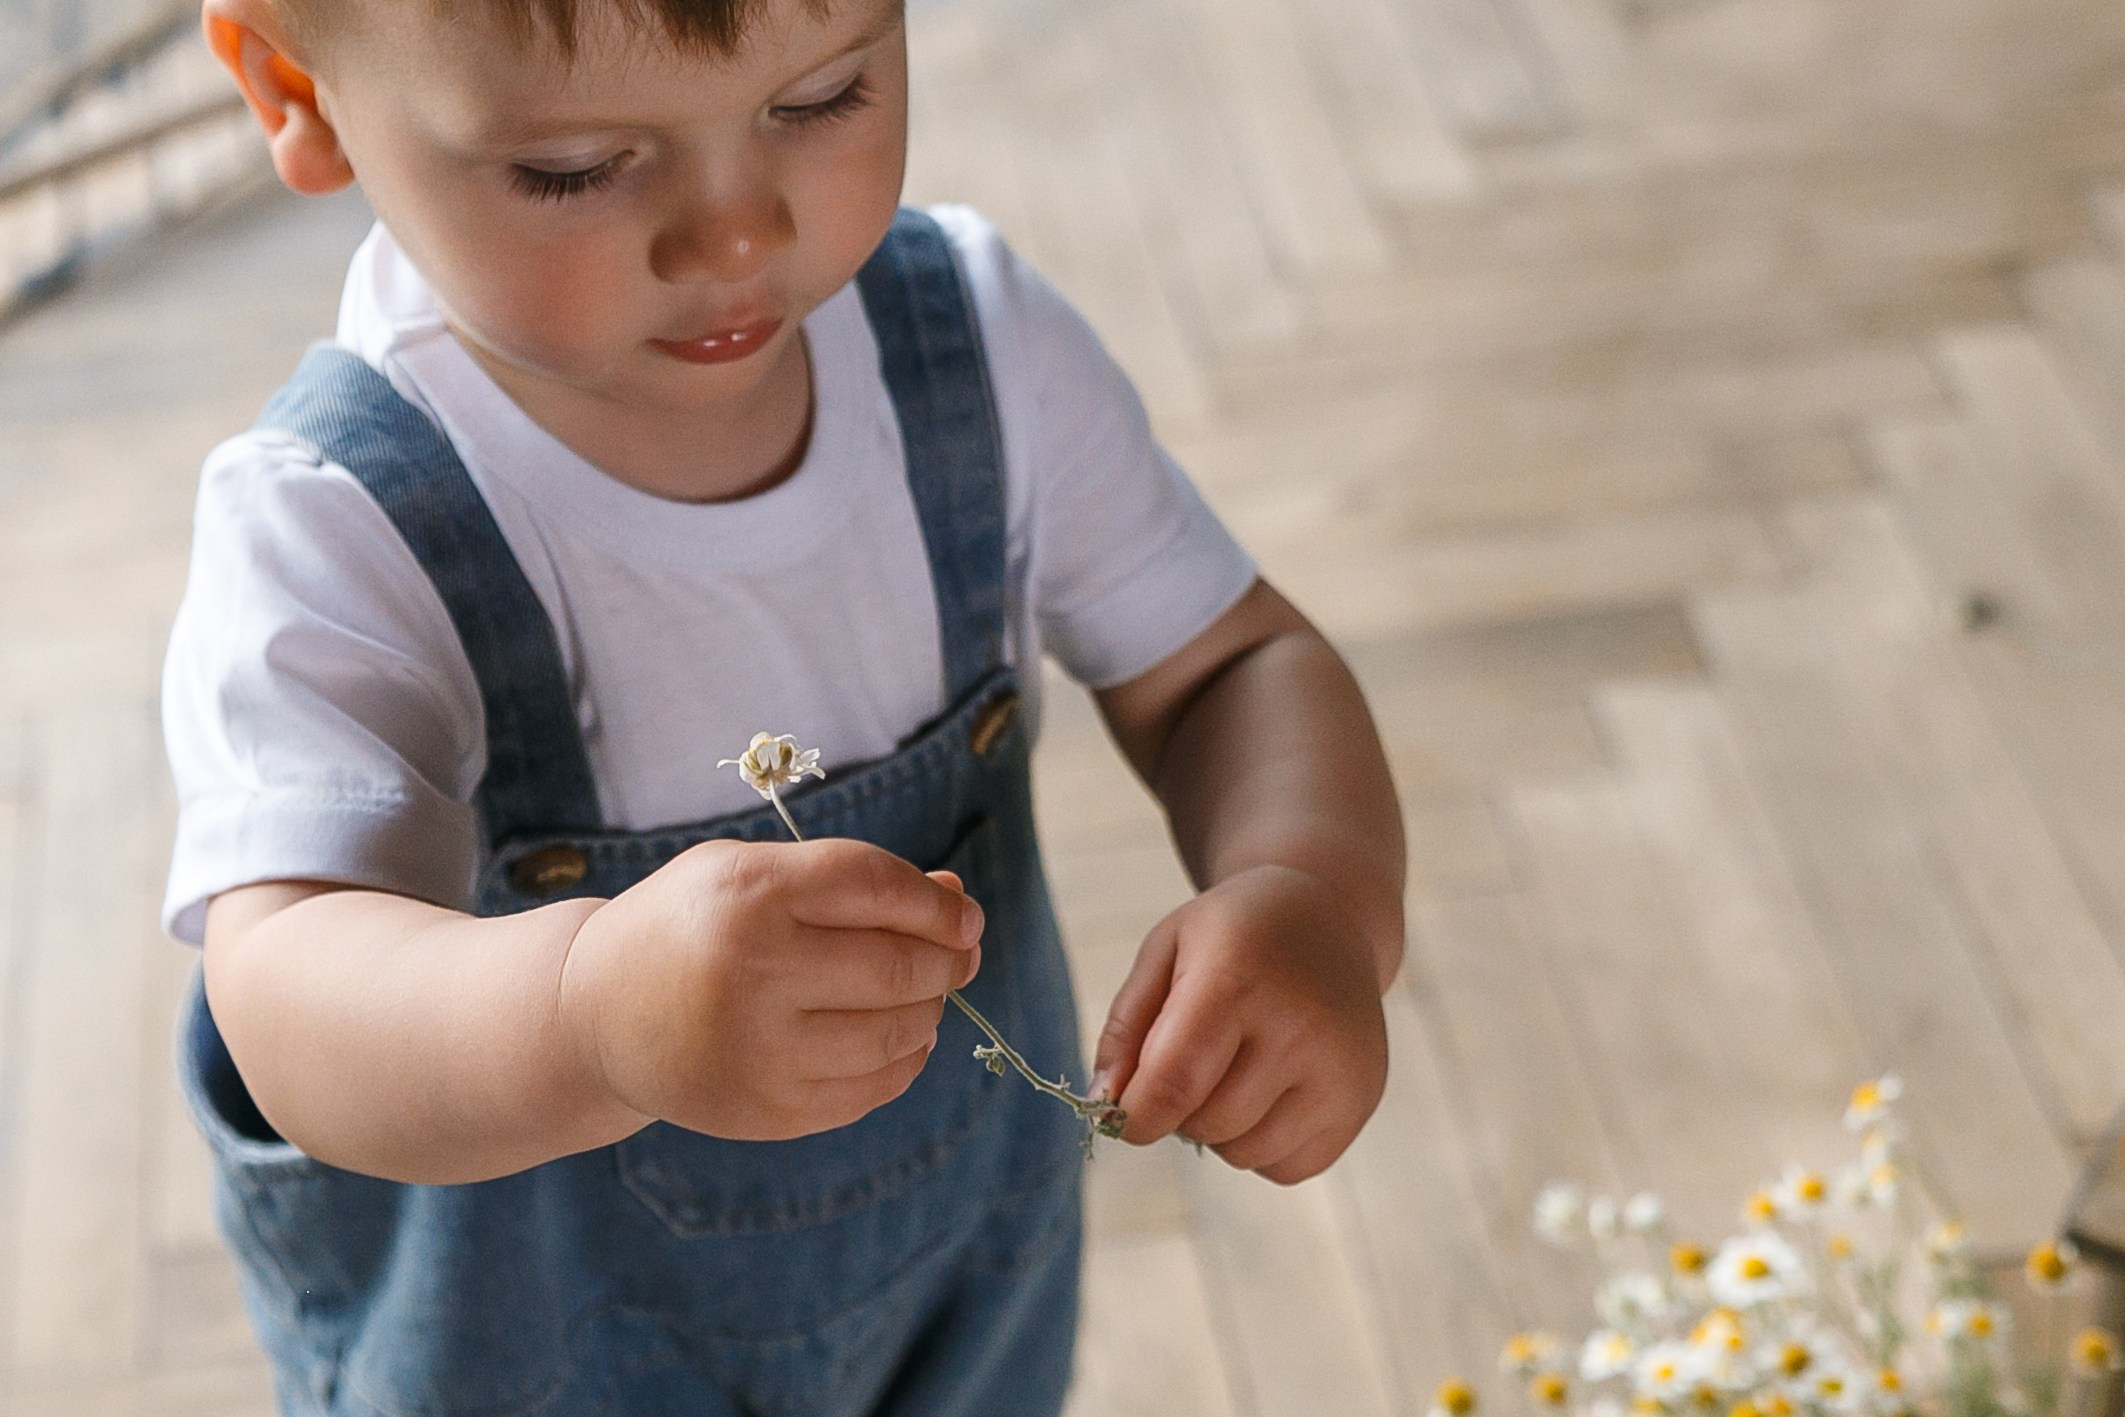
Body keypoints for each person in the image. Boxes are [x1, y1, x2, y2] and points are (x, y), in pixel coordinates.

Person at [162, 0, 1407, 1409]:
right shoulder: (341, 525)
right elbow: (286, 993)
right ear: (295, 88)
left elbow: (1232, 668)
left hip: (959, 1315)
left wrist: (1317, 889)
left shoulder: (976, 353)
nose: (736, 238)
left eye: (820, 99)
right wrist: (588, 1015)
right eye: (577, 167)